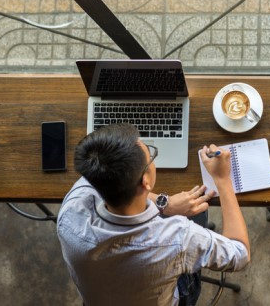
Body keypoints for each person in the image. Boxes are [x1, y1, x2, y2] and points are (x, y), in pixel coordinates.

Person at [56, 123, 250, 306]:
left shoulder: (70, 211)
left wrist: (165, 204)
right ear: (146, 182)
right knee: (198, 216)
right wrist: (222, 179)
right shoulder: (178, 237)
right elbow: (240, 255)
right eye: (150, 155)